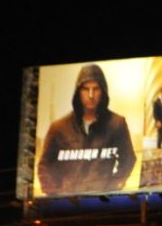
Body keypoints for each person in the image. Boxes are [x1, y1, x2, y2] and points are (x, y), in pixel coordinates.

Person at [37, 63, 137, 195]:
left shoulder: (117, 124)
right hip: (66, 205)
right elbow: (44, 166)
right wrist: (55, 193)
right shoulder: (59, 128)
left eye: (96, 89)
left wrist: (113, 187)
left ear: (103, 91)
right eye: (85, 89)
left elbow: (128, 159)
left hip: (104, 203)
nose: (91, 95)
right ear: (78, 91)